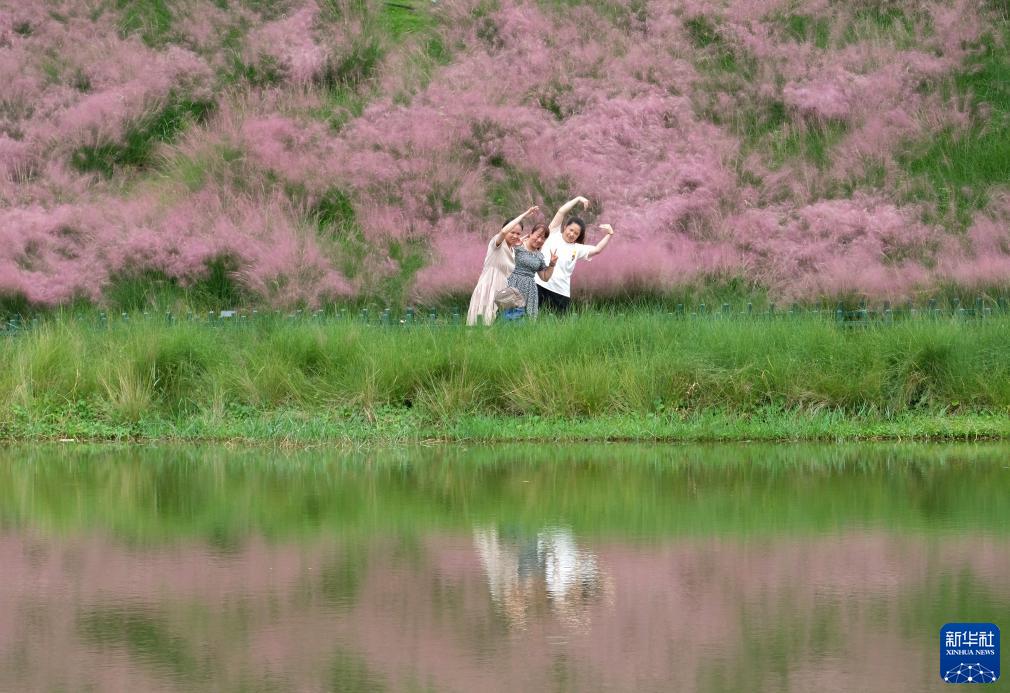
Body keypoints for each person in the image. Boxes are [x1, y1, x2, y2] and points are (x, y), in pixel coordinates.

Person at [535, 196, 616, 314]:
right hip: (539, 284)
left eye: (576, 233)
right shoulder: (553, 233)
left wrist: (609, 234)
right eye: (571, 230)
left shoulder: (577, 249)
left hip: (560, 291)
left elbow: (597, 250)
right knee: (532, 317)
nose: (572, 234)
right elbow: (561, 211)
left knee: (560, 323)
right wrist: (578, 199)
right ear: (565, 227)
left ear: (578, 236)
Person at [467, 206, 538, 326]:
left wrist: (518, 241)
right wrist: (525, 214)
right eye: (512, 232)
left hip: (502, 291)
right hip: (489, 286)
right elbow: (504, 233)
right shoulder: (496, 243)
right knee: (482, 322)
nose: (515, 236)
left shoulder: (513, 250)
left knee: (498, 324)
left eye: (518, 233)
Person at [506, 224, 558, 319]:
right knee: (507, 316)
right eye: (538, 236)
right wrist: (514, 246)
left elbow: (545, 277)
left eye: (543, 238)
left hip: (530, 290)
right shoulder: (518, 246)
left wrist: (552, 264)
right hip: (513, 284)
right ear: (531, 233)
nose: (539, 240)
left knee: (525, 319)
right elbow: (504, 256)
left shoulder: (539, 256)